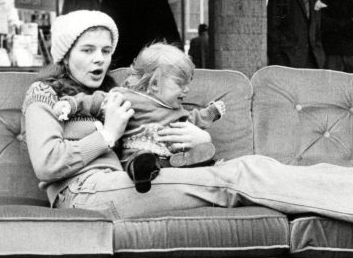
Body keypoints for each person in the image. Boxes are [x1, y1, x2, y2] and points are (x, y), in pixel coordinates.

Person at [23, 10, 353, 234]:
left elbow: (169, 147)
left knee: (242, 170)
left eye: (106, 50)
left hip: (125, 184)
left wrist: (201, 139)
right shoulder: (44, 94)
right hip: (84, 195)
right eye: (87, 50)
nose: (99, 59)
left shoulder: (120, 93)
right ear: (64, 54)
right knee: (238, 175)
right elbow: (47, 163)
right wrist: (106, 135)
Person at [53, 42, 226, 192]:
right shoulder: (128, 98)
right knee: (139, 161)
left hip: (170, 160)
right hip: (137, 153)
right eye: (181, 84)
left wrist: (211, 113)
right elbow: (97, 101)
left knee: (191, 155)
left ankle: (200, 164)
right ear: (155, 84)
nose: (187, 89)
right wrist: (71, 104)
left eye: (188, 83)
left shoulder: (178, 111)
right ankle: (143, 174)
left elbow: (194, 120)